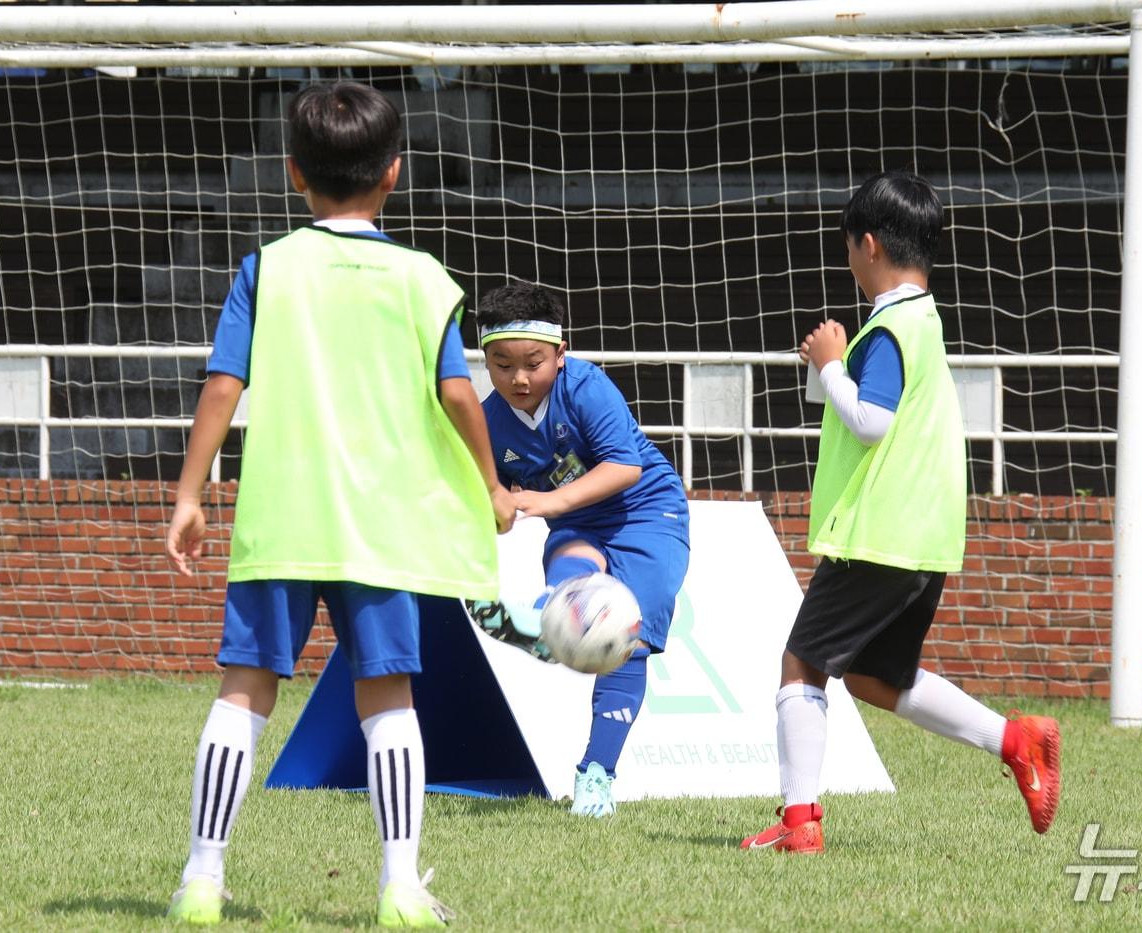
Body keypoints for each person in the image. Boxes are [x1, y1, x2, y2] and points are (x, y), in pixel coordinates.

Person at [164, 81, 515, 927]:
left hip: (284, 514)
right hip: (381, 527)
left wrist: (188, 492)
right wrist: (490, 482)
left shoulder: (268, 267)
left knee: (242, 690)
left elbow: (222, 384)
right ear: (394, 174)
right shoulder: (423, 277)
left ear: (293, 174)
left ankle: (202, 880)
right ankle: (399, 886)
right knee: (388, 697)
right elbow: (461, 396)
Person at [741, 170, 1061, 854]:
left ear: (867, 245)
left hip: (877, 536)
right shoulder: (927, 321)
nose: (849, 261)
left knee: (801, 665)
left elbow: (871, 421)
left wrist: (830, 365)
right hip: (922, 539)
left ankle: (799, 824)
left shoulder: (887, 328)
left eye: (849, 249)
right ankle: (1016, 739)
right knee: (876, 676)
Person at [468, 280, 690, 818]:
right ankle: (547, 619)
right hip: (578, 522)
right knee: (574, 577)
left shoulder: (589, 387)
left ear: (561, 354)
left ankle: (595, 775)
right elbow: (490, 500)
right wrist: (492, 508)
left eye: (533, 362)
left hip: (648, 513)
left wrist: (546, 501)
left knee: (627, 638)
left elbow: (625, 466)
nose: (518, 378)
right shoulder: (487, 420)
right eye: (501, 364)